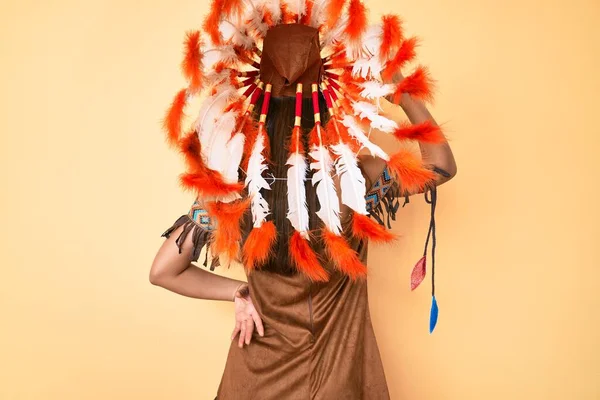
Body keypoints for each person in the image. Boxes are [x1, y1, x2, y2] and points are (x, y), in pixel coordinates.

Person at [150, 1, 456, 398]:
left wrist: (238, 293)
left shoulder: (235, 183)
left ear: (255, 103)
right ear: (328, 99)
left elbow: (163, 271)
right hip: (336, 374)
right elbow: (441, 166)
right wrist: (398, 88)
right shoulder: (355, 180)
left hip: (255, 377)